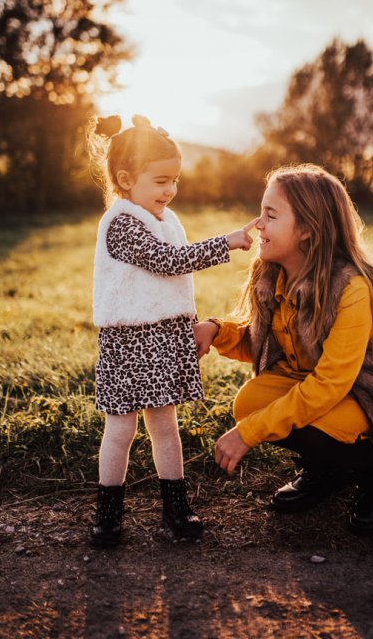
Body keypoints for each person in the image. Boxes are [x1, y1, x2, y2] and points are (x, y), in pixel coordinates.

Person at [194, 163, 373, 534]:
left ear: (307, 230)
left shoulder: (352, 288)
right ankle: (327, 471)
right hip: (316, 382)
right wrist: (215, 330)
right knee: (250, 404)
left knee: (311, 424)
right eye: (261, 213)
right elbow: (262, 343)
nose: (258, 224)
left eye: (270, 216)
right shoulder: (273, 274)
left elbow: (330, 384)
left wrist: (248, 434)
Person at [88, 114, 256, 547]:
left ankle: (175, 509)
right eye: (161, 180)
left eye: (175, 180)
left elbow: (170, 264)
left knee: (165, 426)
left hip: (163, 337)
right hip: (128, 342)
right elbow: (168, 262)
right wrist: (228, 241)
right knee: (121, 429)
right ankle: (107, 515)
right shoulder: (122, 223)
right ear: (125, 180)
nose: (170, 190)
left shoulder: (163, 218)